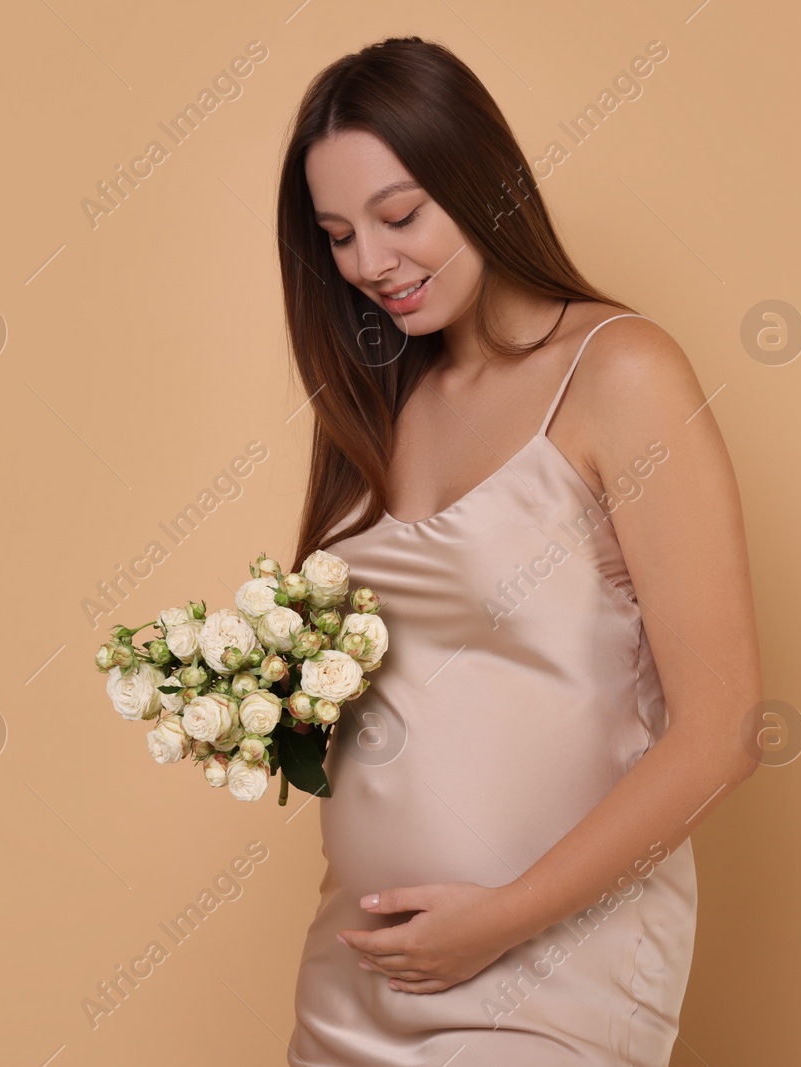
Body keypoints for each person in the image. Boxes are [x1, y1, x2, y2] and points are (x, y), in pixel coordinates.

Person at [278, 37, 762, 1065]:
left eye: (400, 216)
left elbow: (720, 730)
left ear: (481, 184)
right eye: (336, 235)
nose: (369, 262)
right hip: (357, 979)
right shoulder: (379, 400)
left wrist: (498, 918)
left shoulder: (618, 372)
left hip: (548, 973)